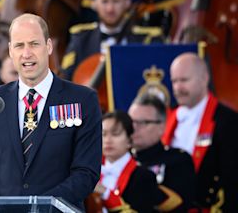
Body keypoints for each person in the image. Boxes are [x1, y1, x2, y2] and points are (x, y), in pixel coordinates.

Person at [0, 13, 102, 210]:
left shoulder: (82, 99)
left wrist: (40, 207)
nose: (26, 53)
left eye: (34, 44)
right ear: (10, 50)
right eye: (19, 45)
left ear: (48, 46)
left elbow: (86, 172)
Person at [162, 52, 238, 212]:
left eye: (184, 80)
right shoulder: (168, 117)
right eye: (174, 81)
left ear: (204, 79)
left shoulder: (229, 121)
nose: (177, 87)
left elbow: (232, 179)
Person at [61, 0, 164, 80]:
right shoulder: (81, 38)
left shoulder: (147, 39)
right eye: (105, 1)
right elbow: (65, 80)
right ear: (94, 4)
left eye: (116, 1)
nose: (110, 9)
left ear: (127, 2)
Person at [128, 94, 196, 212]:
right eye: (130, 121)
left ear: (162, 127)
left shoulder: (177, 161)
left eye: (143, 122)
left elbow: (178, 206)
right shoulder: (117, 159)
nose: (134, 127)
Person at [95, 111, 158, 212]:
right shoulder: (91, 171)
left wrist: (106, 193)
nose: (108, 140)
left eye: (115, 134)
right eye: (103, 134)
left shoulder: (144, 176)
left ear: (129, 140)